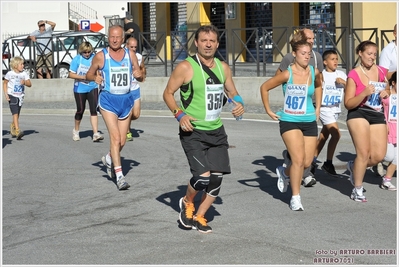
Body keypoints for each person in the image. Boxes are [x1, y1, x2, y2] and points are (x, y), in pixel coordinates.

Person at [163, 24, 244, 233]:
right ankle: (187, 202)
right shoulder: (186, 67)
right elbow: (168, 94)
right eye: (204, 41)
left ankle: (200, 216)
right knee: (202, 177)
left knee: (216, 179)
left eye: (212, 41)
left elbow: (232, 90)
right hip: (193, 132)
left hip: (216, 131)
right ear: (197, 43)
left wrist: (239, 103)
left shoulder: (222, 67)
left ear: (217, 44)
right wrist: (179, 115)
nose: (208, 44)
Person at [260, 35, 322, 211]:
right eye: (303, 53)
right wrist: (268, 109)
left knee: (307, 162)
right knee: (298, 159)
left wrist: (317, 108)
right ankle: (296, 197)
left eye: (309, 54)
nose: (307, 57)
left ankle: (284, 172)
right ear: (294, 54)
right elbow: (264, 87)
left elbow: (318, 86)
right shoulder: (287, 73)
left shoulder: (313, 72)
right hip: (289, 120)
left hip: (309, 119)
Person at [86, 25, 143, 191]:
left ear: (123, 38)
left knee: (122, 140)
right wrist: (94, 77)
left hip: (126, 100)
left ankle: (109, 157)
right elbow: (89, 74)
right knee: (115, 138)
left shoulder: (130, 54)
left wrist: (139, 75)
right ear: (108, 37)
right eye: (112, 37)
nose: (115, 40)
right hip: (108, 100)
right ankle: (119, 176)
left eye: (118, 37)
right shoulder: (101, 56)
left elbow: (138, 73)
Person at [276, 28, 323, 186]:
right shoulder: (289, 57)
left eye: (313, 38)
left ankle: (301, 168)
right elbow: (278, 78)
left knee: (306, 156)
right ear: (301, 39)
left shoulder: (316, 56)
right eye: (308, 38)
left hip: (311, 104)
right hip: (293, 112)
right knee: (298, 156)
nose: (311, 41)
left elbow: (319, 81)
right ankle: (303, 175)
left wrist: (318, 106)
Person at [344, 40, 390, 202]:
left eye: (375, 54)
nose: (372, 57)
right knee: (363, 153)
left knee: (378, 156)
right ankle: (357, 188)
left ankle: (354, 166)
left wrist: (386, 91)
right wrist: (363, 94)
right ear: (360, 54)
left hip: (377, 114)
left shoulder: (382, 72)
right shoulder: (354, 74)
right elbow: (348, 103)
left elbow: (390, 87)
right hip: (358, 112)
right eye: (369, 54)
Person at [313, 50, 347, 176]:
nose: (335, 61)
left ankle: (312, 160)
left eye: (337, 59)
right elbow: (316, 89)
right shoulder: (322, 75)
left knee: (323, 136)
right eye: (332, 59)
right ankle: (328, 163)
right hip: (324, 108)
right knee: (336, 134)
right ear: (325, 62)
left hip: (336, 109)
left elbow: (352, 88)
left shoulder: (341, 74)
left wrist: (343, 82)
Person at [372, 24, 397, 177]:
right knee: (390, 124)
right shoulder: (388, 50)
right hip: (392, 90)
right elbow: (383, 74)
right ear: (395, 33)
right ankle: (379, 159)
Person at [68, 41, 104, 142]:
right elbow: (71, 74)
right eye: (85, 52)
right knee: (80, 110)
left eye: (89, 52)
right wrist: (83, 77)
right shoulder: (77, 59)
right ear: (81, 51)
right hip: (80, 88)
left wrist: (98, 76)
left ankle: (95, 133)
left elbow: (98, 70)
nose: (87, 54)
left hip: (92, 86)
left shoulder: (94, 58)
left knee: (93, 109)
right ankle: (76, 130)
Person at [3, 56, 32, 140]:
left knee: (17, 113)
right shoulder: (10, 74)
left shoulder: (24, 74)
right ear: (15, 65)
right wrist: (6, 94)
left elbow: (30, 84)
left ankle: (13, 126)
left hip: (20, 96)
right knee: (15, 113)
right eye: (21, 64)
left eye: (23, 64)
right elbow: (5, 83)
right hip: (12, 95)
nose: (23, 66)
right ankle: (17, 130)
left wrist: (25, 82)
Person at [125, 37, 146, 141]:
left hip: (135, 88)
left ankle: (124, 123)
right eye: (131, 47)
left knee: (136, 114)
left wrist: (142, 76)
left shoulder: (138, 56)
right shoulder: (122, 57)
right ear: (126, 46)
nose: (133, 49)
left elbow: (142, 67)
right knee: (128, 112)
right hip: (126, 90)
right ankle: (127, 131)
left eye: (135, 47)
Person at [380, 71, 397, 190]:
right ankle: (357, 163)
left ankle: (387, 180)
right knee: (388, 156)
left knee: (397, 158)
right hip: (388, 129)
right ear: (394, 83)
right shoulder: (388, 96)